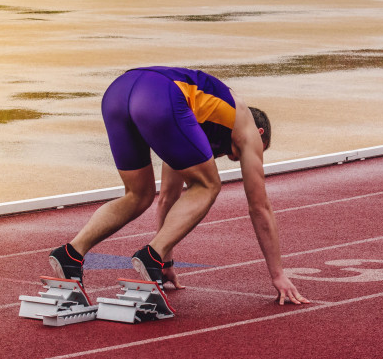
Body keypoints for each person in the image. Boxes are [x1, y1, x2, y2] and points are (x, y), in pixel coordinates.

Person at [48, 66, 309, 305]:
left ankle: (71, 254)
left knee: (139, 194)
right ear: (260, 135)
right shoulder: (247, 126)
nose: (245, 158)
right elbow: (259, 206)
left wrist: (167, 260)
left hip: (118, 93)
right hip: (158, 95)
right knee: (209, 185)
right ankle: (151, 256)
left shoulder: (190, 124)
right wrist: (278, 274)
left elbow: (168, 197)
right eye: (258, 152)